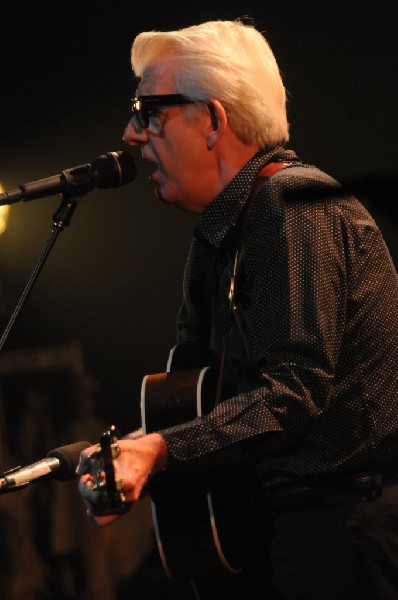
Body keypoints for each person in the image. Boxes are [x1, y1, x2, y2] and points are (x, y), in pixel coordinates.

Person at [77, 19, 398, 599]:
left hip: (339, 528)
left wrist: (162, 449)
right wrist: (131, 454)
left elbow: (294, 393)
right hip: (279, 532)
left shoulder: (294, 205)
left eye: (149, 111)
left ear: (214, 120)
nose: (130, 132)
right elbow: (205, 401)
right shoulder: (220, 236)